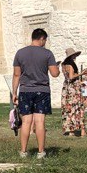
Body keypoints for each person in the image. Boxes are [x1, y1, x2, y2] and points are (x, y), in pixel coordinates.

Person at [11, 29, 59, 158]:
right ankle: (41, 151)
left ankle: (23, 151)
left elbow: (16, 74)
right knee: (40, 122)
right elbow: (55, 74)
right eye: (45, 40)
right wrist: (58, 68)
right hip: (42, 90)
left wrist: (14, 92)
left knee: (26, 122)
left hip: (25, 90)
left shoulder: (20, 53)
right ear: (42, 38)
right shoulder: (47, 54)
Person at [60, 50, 87, 137]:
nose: (75, 56)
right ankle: (80, 130)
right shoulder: (71, 65)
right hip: (73, 87)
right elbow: (71, 77)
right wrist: (81, 73)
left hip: (66, 87)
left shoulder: (63, 65)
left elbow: (66, 76)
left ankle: (71, 130)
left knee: (69, 108)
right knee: (77, 107)